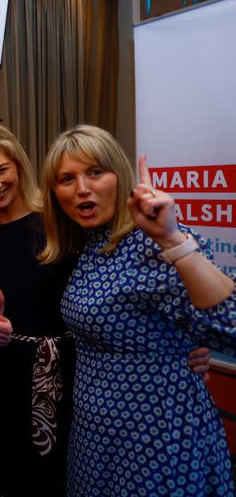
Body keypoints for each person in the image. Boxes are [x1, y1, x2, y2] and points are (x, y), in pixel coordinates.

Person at [39, 124, 235, 495]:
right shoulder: (90, 243)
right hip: (96, 436)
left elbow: (231, 328)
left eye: (95, 172)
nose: (82, 188)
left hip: (157, 434)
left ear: (120, 176)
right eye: (67, 178)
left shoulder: (154, 240)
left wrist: (173, 240)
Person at [0, 121, 76, 495]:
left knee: (66, 474)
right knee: (10, 475)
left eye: (1, 170)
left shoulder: (57, 218)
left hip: (75, 367)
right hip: (10, 373)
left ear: (19, 166)